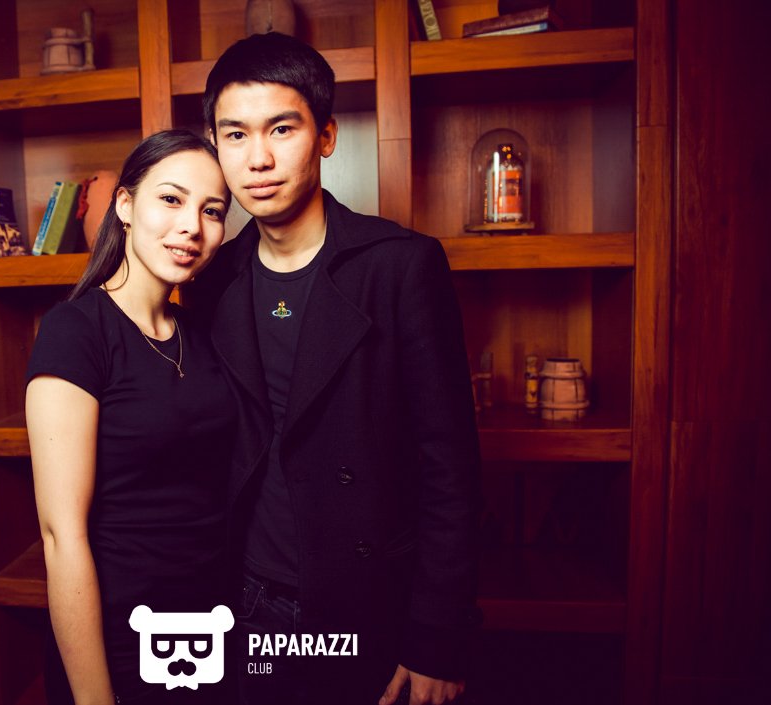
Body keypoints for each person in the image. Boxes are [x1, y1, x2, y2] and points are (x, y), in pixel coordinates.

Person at [187, 32, 482, 705]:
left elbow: (451, 468)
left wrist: (437, 638)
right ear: (216, 145)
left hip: (370, 602)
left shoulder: (400, 265)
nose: (258, 158)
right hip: (250, 603)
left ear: (325, 135)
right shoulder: (212, 279)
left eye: (281, 129)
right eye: (235, 135)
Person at [26, 129, 236, 705]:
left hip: (213, 626)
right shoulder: (75, 331)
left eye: (212, 210)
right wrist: (96, 696)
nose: (192, 226)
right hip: (121, 634)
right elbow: (61, 536)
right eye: (171, 199)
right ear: (124, 205)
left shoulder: (203, 333)